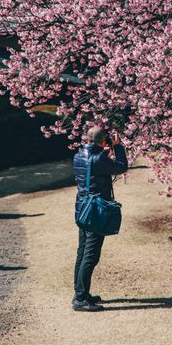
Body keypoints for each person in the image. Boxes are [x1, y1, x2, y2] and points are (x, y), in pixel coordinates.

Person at [72, 126, 128, 311]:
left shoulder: (79, 156)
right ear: (104, 142)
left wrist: (104, 149)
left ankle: (80, 293)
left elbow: (95, 164)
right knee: (91, 255)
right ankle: (80, 299)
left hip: (82, 208)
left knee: (82, 252)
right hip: (95, 211)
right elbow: (121, 167)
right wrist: (118, 147)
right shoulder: (99, 159)